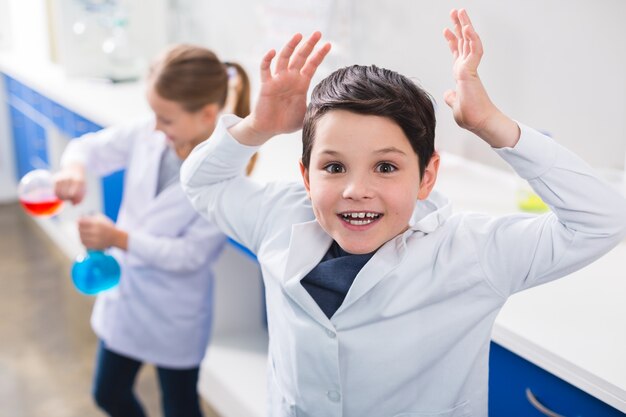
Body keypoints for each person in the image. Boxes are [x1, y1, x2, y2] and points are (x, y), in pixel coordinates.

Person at [181, 9, 626, 417]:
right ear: (305, 175)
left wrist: (493, 125)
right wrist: (258, 127)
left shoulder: (471, 252)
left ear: (427, 175)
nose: (357, 190)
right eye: (334, 167)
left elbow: (602, 219)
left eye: (386, 167)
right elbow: (202, 183)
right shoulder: (278, 218)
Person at [54, 44, 252, 417]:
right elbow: (86, 149)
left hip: (173, 312)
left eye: (165, 119)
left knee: (180, 406)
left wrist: (119, 239)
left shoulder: (224, 175)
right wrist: (74, 171)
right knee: (108, 394)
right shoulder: (149, 133)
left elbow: (192, 255)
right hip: (126, 300)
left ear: (207, 114)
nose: (156, 126)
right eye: (154, 115)